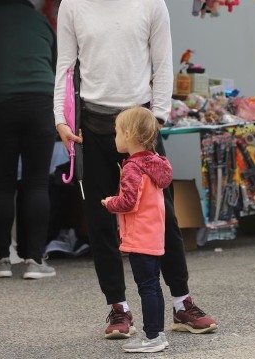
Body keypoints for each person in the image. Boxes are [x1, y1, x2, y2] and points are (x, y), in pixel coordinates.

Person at [53, 0, 217, 339]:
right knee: (101, 218)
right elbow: (64, 69)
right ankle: (118, 309)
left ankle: (181, 301)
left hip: (141, 123)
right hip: (93, 123)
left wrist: (157, 117)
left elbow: (163, 65)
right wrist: (60, 120)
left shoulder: (150, 2)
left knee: (163, 217)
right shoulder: (72, 5)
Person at [0, 0, 57, 280]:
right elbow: (57, 65)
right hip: (41, 104)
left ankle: (3, 259)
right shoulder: (39, 20)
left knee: (3, 184)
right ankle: (34, 260)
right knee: (37, 182)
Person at [102, 107, 173, 353]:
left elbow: (128, 202)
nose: (115, 138)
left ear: (130, 134)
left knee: (147, 286)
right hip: (154, 234)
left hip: (139, 236)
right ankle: (158, 334)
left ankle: (152, 336)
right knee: (153, 285)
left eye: (117, 133)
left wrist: (110, 202)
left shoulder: (133, 167)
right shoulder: (156, 164)